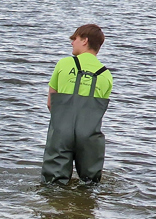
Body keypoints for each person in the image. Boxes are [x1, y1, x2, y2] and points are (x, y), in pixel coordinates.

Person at [42, 24, 113, 184]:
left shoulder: (64, 64)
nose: (72, 42)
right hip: (89, 135)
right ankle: (85, 207)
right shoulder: (106, 74)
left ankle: (55, 207)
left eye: (75, 39)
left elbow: (50, 103)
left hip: (62, 130)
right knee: (90, 184)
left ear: (85, 40)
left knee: (53, 184)